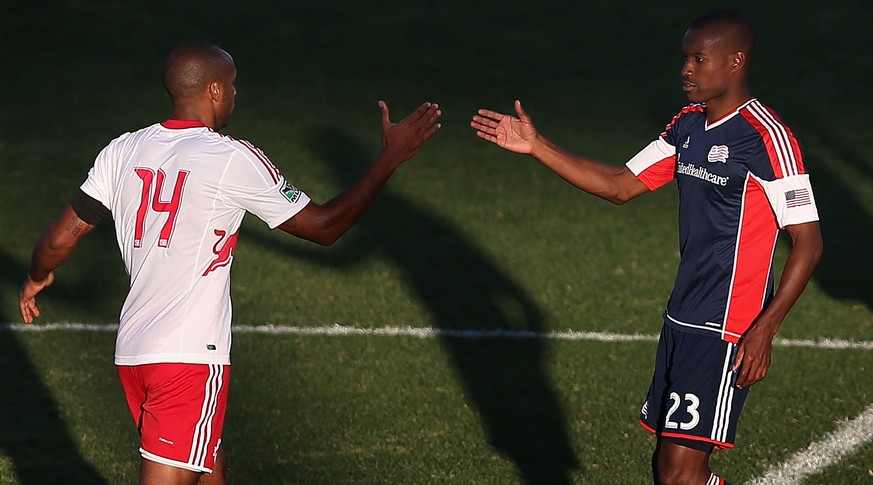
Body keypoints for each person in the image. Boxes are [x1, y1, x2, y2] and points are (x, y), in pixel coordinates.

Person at [18, 41, 440, 485]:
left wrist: (36, 276)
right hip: (188, 361)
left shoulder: (122, 150)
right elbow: (325, 226)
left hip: (135, 354)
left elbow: (58, 238)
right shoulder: (231, 157)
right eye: (234, 85)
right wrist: (391, 156)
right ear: (215, 90)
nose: (238, 94)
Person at [470, 10, 822, 485]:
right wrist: (538, 147)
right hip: (682, 313)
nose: (686, 70)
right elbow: (620, 185)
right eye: (685, 58)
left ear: (736, 61)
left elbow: (808, 241)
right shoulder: (687, 126)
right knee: (668, 470)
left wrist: (765, 329)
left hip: (729, 324)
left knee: (679, 473)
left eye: (699, 59)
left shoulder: (765, 138)